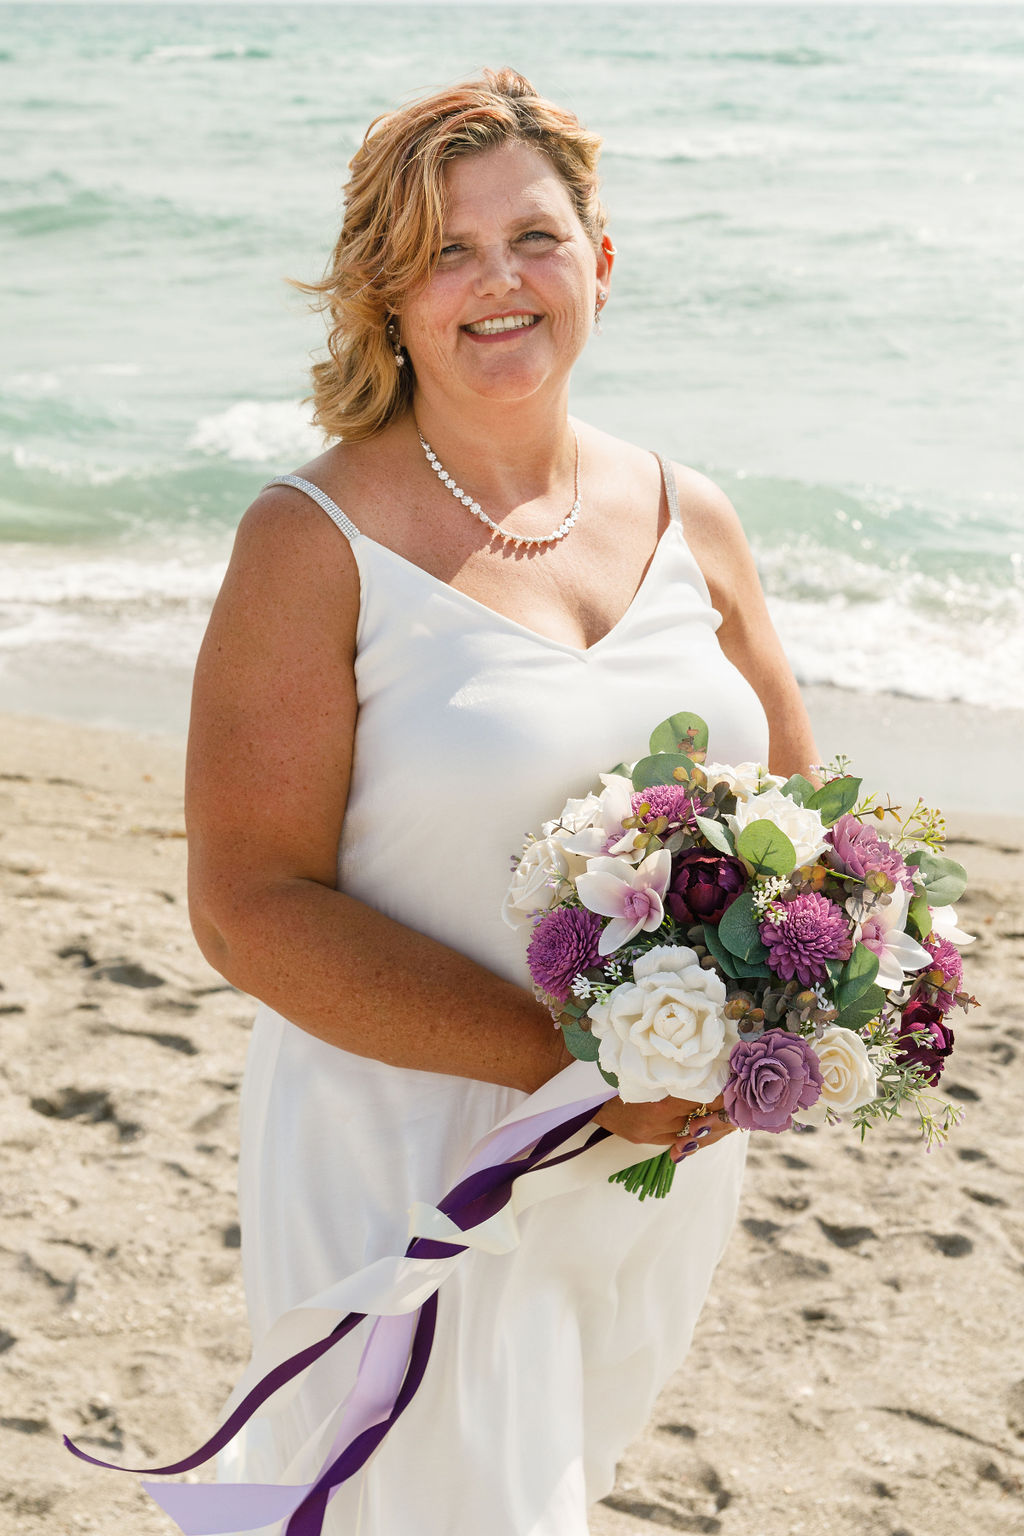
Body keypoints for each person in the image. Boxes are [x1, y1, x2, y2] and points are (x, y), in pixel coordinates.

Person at [185, 68, 819, 1536]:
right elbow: (247, 905)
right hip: (408, 1155)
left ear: (599, 259)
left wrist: (780, 1020)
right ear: (385, 296)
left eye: (533, 238)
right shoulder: (311, 538)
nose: (499, 282)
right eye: (446, 251)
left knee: (560, 1486)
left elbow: (794, 816)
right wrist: (575, 1058)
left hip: (649, 1161)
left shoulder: (690, 511)